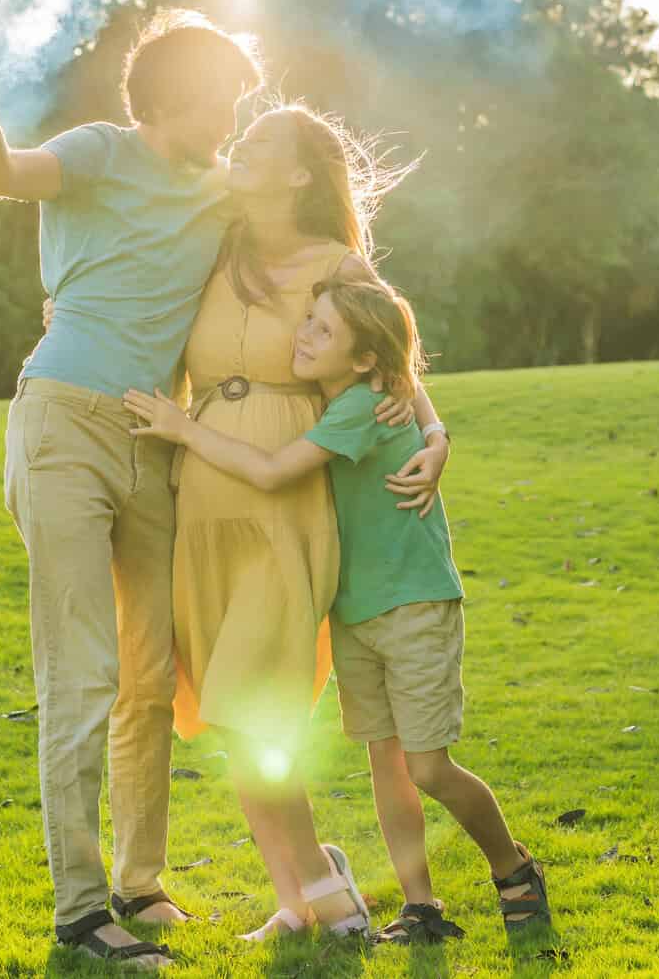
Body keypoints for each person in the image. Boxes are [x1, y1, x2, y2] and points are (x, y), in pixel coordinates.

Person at [0, 5, 254, 970]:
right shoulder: (101, 152)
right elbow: (1, 173)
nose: (232, 122)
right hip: (63, 423)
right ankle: (79, 910)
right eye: (222, 102)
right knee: (81, 672)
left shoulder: (224, 190)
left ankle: (139, 883)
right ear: (173, 98)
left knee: (150, 674)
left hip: (153, 440)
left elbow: (307, 223)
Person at [125, 276, 553, 947]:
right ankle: (420, 908)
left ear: (363, 359)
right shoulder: (356, 393)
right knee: (388, 763)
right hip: (356, 608)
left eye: (322, 330)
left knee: (428, 767)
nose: (301, 335)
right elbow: (400, 374)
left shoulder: (362, 404)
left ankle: (514, 869)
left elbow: (272, 470)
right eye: (308, 320)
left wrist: (184, 429)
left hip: (411, 601)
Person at [161, 104, 450, 942]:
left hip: (287, 502)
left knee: (256, 701)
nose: (237, 148)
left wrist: (436, 435)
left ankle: (326, 885)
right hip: (201, 499)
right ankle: (298, 895)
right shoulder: (211, 245)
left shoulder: (337, 265)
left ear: (298, 175)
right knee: (227, 707)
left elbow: (393, 363)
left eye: (259, 144)